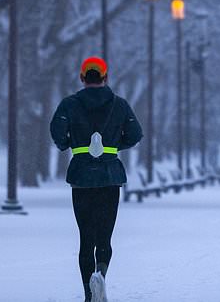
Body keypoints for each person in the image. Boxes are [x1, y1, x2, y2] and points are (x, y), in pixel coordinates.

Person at [50, 57, 143, 302]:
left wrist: (70, 143)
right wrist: (113, 146)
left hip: (81, 175)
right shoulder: (120, 105)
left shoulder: (69, 105)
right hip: (109, 175)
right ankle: (100, 273)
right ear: (105, 77)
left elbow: (56, 132)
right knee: (104, 236)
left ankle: (88, 293)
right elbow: (135, 134)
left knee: (85, 238)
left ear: (82, 78)